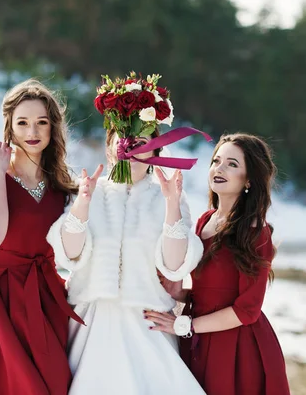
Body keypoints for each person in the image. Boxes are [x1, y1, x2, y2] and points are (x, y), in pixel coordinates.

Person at [46, 128, 206, 394]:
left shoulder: (170, 197)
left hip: (148, 322)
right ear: (110, 148)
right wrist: (83, 203)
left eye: (141, 142)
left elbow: (175, 264)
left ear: (156, 151)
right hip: (92, 322)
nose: (131, 149)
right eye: (124, 142)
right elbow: (69, 255)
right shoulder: (88, 189)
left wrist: (171, 204)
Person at [0, 79, 83, 395]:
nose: (33, 131)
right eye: (23, 122)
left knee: (53, 385)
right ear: (10, 127)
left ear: (53, 128)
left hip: (44, 297)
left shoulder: (61, 185)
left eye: (42, 122)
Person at [145, 133, 291, 395]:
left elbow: (248, 310)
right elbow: (209, 290)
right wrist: (179, 292)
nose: (219, 169)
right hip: (199, 340)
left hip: (238, 349)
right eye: (216, 161)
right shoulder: (204, 221)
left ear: (248, 179)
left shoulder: (256, 231)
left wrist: (185, 326)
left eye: (232, 164)